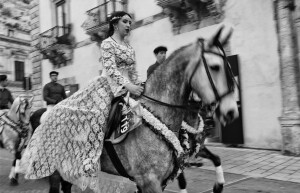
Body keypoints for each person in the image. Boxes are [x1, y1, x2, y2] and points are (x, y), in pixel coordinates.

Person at [20, 11, 143, 191]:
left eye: (130, 22)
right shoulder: (108, 43)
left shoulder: (130, 47)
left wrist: (139, 85)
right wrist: (128, 85)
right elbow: (110, 69)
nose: (128, 25)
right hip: (105, 87)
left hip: (126, 90)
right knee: (98, 116)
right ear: (115, 24)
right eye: (125, 21)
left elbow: (133, 73)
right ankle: (88, 163)